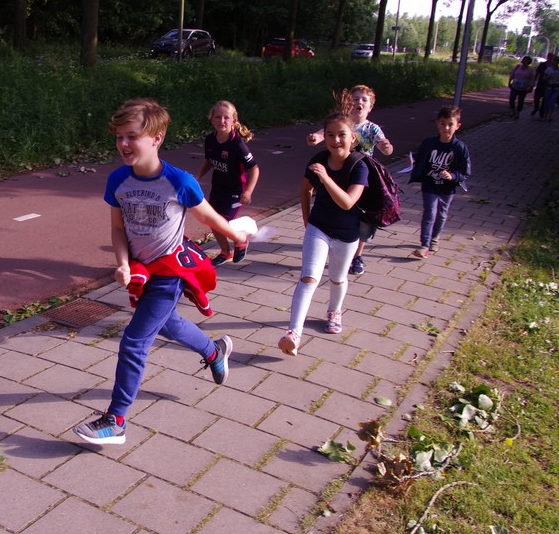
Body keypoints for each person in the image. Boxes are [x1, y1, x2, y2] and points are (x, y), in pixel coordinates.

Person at [73, 98, 248, 445]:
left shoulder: (179, 181)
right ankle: (214, 351)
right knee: (169, 324)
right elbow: (118, 229)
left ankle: (116, 421)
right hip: (143, 270)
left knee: (134, 340)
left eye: (132, 136)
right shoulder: (118, 180)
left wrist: (235, 234)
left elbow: (208, 216)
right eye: (119, 137)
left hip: (171, 271)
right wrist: (122, 263)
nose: (124, 144)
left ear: (156, 138)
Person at [279, 112, 368, 357]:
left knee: (337, 278)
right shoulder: (318, 159)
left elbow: (348, 202)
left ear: (353, 138)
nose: (336, 140)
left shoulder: (359, 166)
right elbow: (305, 189)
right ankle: (294, 333)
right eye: (330, 135)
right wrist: (307, 219)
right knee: (309, 277)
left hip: (347, 234)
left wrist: (326, 178)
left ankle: (334, 311)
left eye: (342, 135)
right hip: (319, 228)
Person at [306, 85, 393, 276]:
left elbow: (384, 146)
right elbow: (323, 133)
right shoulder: (341, 123)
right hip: (341, 174)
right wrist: (315, 138)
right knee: (338, 212)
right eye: (355, 99)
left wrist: (386, 147)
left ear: (370, 107)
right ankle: (329, 245)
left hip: (363, 179)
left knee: (364, 220)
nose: (359, 102)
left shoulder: (372, 128)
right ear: (348, 103)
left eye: (364, 100)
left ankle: (357, 255)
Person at [196, 100, 260, 266]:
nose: (222, 121)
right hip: (218, 188)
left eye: (226, 117)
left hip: (235, 191)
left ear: (234, 120)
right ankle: (226, 252)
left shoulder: (237, 144)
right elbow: (209, 161)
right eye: (218, 117)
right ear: (211, 119)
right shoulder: (210, 140)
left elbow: (254, 169)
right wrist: (197, 177)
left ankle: (241, 238)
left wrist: (248, 192)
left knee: (223, 222)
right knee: (212, 220)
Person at [408, 105, 471, 259]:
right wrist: (412, 160)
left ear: (457, 126)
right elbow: (420, 157)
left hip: (447, 188)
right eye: (443, 123)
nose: (446, 128)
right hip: (429, 184)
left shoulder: (459, 148)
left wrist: (452, 176)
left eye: (450, 124)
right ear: (437, 124)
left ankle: (434, 239)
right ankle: (424, 245)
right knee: (430, 212)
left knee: (441, 214)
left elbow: (465, 171)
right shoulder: (429, 143)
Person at [540, 55, 559, 122]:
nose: (555, 62)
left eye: (557, 61)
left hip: (556, 88)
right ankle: (545, 114)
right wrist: (547, 77)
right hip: (549, 87)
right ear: (552, 61)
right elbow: (543, 78)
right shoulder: (549, 69)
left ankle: (549, 116)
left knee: (552, 102)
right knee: (546, 102)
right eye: (554, 61)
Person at [530, 53, 553, 118]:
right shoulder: (542, 64)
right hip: (540, 83)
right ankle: (536, 108)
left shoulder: (553, 66)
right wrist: (534, 81)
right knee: (536, 97)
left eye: (551, 57)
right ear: (547, 57)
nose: (550, 58)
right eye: (549, 57)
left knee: (545, 99)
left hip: (548, 84)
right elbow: (537, 73)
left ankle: (541, 113)